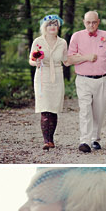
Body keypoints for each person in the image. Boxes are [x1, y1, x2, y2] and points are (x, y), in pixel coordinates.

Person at [67, 11, 106, 154]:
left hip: (103, 79)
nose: (91, 25)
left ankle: (94, 139)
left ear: (99, 22)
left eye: (94, 22)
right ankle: (84, 140)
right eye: (88, 22)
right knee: (85, 110)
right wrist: (86, 57)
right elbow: (69, 60)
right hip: (83, 79)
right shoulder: (76, 36)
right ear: (84, 22)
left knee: (99, 111)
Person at [29, 16, 69, 153]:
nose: (52, 27)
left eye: (55, 24)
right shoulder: (38, 41)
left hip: (57, 77)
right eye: (49, 24)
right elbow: (31, 60)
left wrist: (84, 58)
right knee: (45, 108)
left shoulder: (62, 42)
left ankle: (51, 139)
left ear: (58, 27)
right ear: (44, 27)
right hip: (42, 76)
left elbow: (66, 60)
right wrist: (36, 62)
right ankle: (46, 141)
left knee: (53, 109)